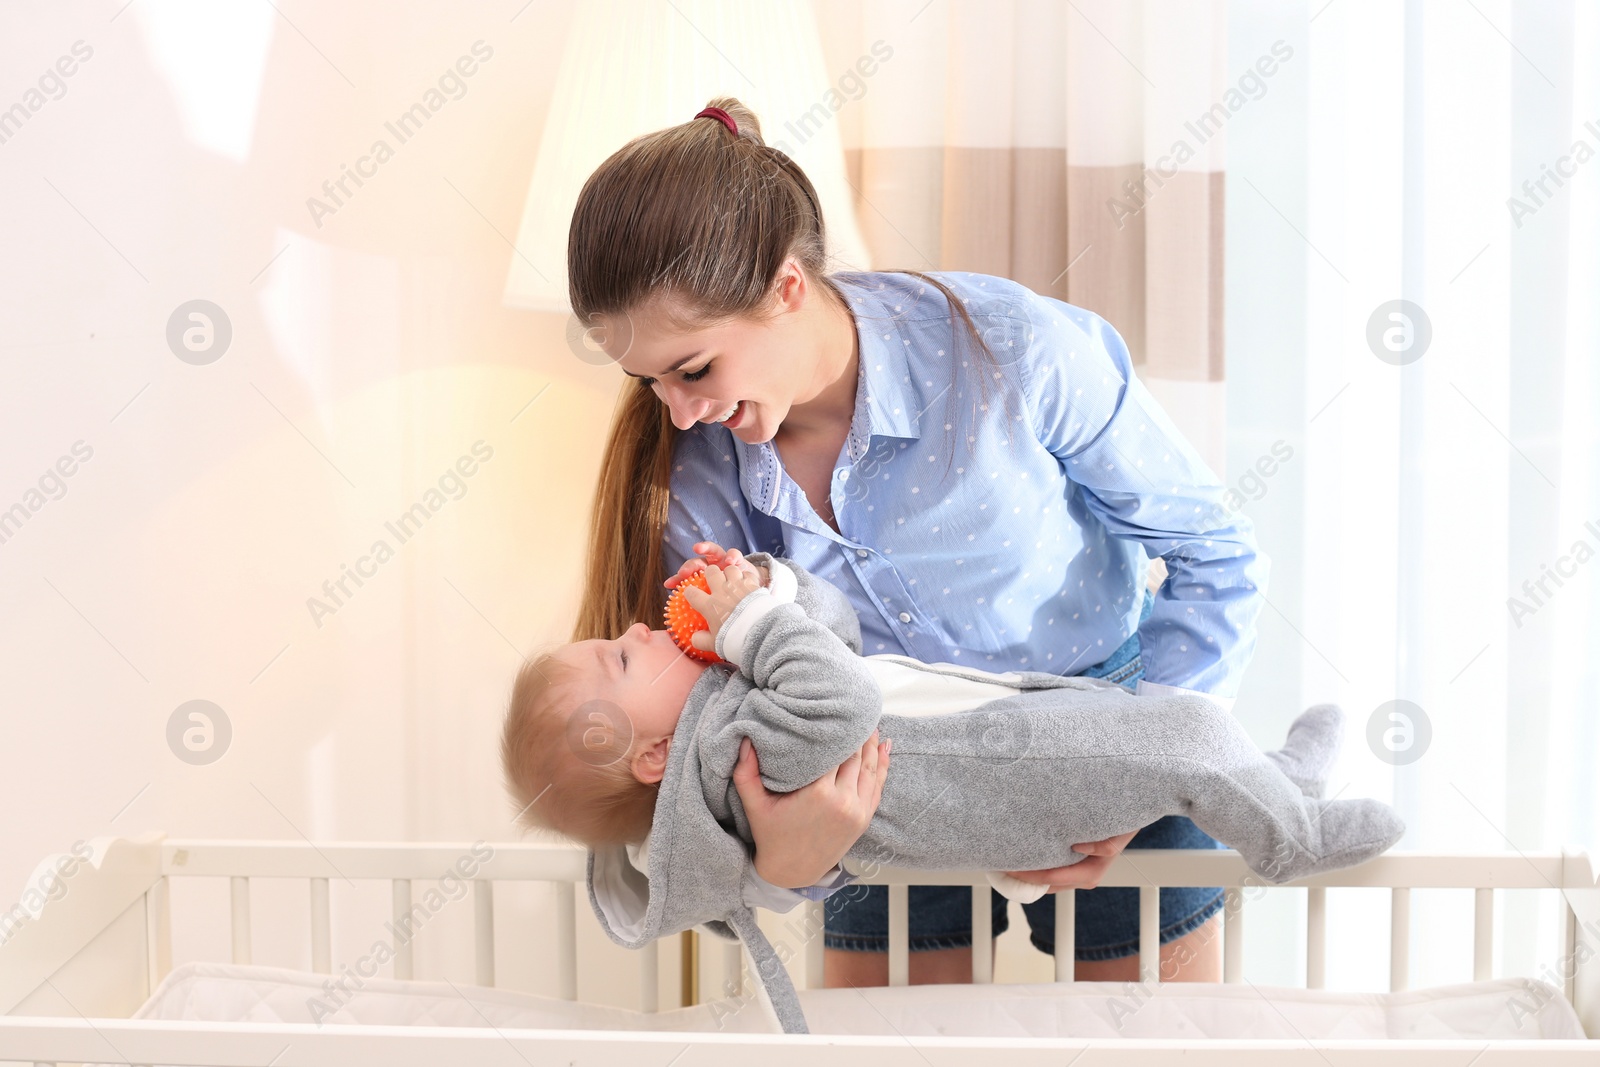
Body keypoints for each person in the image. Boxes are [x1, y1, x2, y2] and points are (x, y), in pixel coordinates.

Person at [567, 97, 1270, 985]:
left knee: (1147, 1044)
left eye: (695, 368)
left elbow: (1216, 554)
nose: (678, 410)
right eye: (650, 380)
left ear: (786, 286)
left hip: (1106, 719)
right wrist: (790, 856)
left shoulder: (1016, 352)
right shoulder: (697, 466)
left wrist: (1144, 766)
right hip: (871, 776)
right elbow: (718, 716)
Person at [506, 548, 1398, 1034]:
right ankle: (1291, 839)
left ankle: (1277, 783)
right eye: (618, 657)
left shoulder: (720, 699)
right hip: (999, 777)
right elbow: (842, 695)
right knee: (1185, 733)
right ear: (653, 756)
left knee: (1161, 734)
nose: (630, 628)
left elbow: (836, 636)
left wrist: (774, 589)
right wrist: (751, 622)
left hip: (991, 744)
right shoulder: (732, 750)